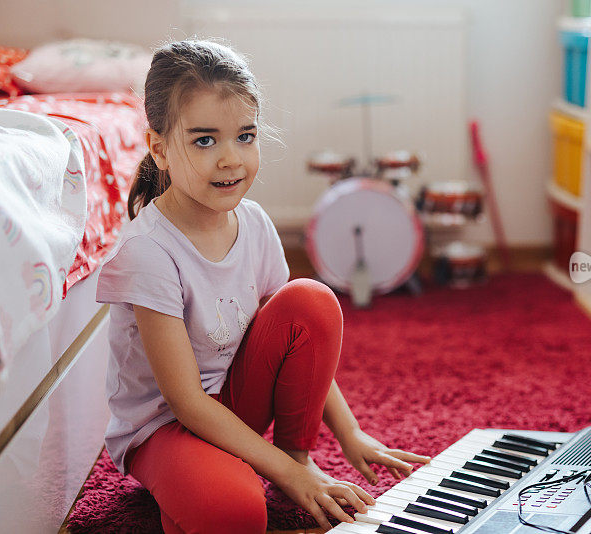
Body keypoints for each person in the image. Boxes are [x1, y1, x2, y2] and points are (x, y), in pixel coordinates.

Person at [96, 39, 430, 533]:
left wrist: (350, 433)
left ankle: (293, 454)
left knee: (312, 299)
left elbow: (301, 333)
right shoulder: (148, 250)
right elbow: (186, 403)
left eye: (245, 136)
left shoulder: (252, 222)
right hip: (166, 427)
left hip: (234, 402)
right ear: (159, 149)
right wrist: (289, 479)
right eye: (204, 141)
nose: (231, 159)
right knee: (237, 514)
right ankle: (221, 480)